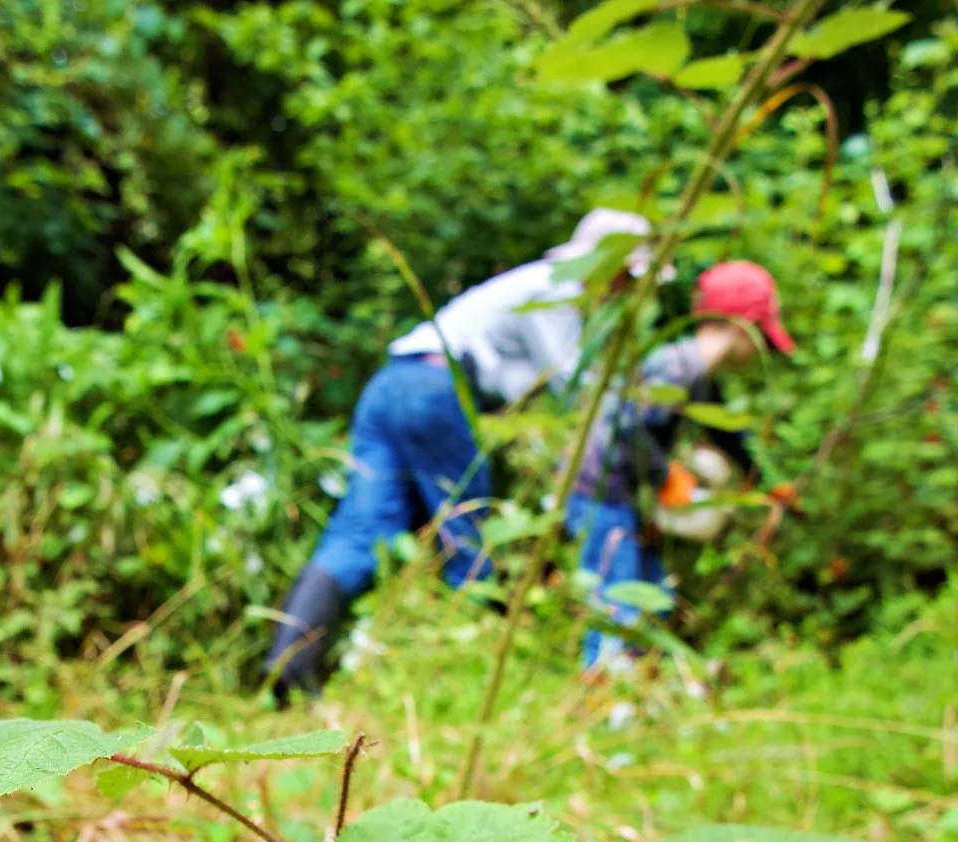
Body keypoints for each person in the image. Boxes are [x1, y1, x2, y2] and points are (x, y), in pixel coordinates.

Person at [266, 208, 656, 694]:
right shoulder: (557, 288)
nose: (625, 291)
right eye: (628, 277)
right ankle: (472, 675)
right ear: (609, 265)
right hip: (435, 389)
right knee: (467, 534)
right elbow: (574, 385)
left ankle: (287, 669)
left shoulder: (528, 282)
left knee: (359, 533)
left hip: (391, 381)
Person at [567, 259, 797, 671]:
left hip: (625, 498)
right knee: (616, 601)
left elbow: (729, 436)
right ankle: (603, 694)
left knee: (649, 594)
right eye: (760, 335)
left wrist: (766, 482)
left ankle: (635, 692)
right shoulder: (675, 367)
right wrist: (665, 475)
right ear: (742, 326)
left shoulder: (697, 374)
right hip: (601, 494)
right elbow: (626, 425)